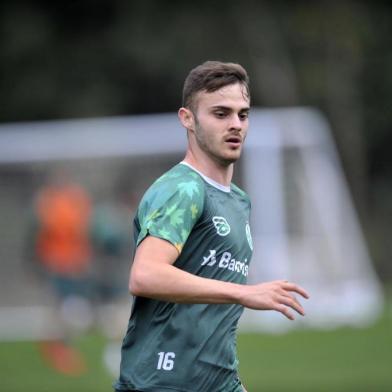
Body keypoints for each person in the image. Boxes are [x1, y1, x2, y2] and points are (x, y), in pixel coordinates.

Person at [115, 61, 309, 392]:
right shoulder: (183, 189)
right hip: (161, 383)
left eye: (243, 114)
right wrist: (245, 293)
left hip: (220, 382)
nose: (236, 125)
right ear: (187, 119)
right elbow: (144, 275)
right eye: (221, 114)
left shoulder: (238, 201)